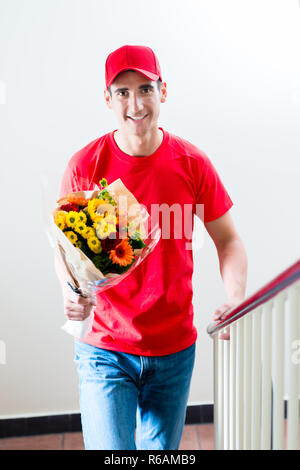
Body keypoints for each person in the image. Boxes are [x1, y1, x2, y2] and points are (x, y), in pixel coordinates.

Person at [55, 44, 248, 450]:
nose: (136, 103)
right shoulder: (85, 166)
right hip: (104, 348)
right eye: (122, 92)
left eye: (145, 88)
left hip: (173, 349)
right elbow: (65, 252)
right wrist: (72, 294)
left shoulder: (192, 163)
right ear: (107, 100)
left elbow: (228, 240)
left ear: (163, 91)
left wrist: (235, 298)